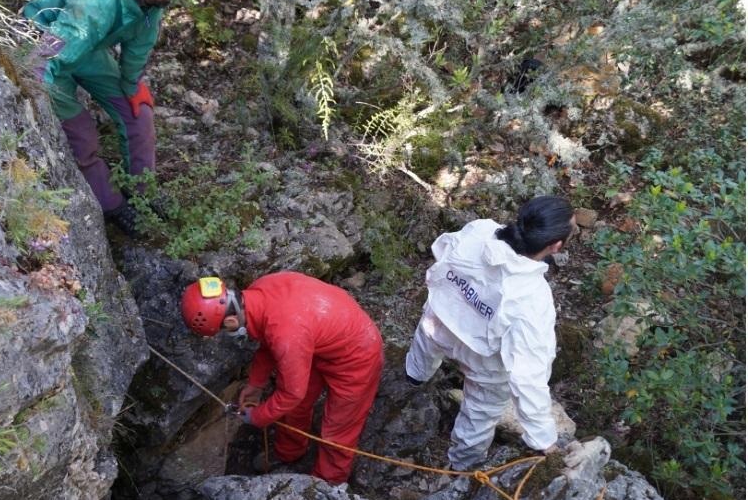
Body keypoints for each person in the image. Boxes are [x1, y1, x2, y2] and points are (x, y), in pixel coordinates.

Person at [23, 0, 187, 237]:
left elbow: (139, 45)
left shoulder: (151, 2)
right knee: (82, 134)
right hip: (44, 53)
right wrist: (36, 103)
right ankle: (113, 205)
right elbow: (43, 59)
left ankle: (143, 191)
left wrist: (132, 82)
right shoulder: (93, 5)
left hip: (86, 51)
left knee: (139, 113)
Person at [405, 195, 577, 470]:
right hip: (482, 358)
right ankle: (462, 467)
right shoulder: (532, 297)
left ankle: (413, 377)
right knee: (481, 411)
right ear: (555, 246)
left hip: (439, 321)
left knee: (423, 349)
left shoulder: (480, 230)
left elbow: (442, 251)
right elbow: (527, 373)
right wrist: (543, 438)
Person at [181, 272, 384, 484]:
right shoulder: (260, 290)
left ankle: (327, 484)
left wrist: (258, 417)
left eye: (222, 330)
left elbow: (292, 393)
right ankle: (289, 452)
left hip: (358, 355)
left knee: (337, 429)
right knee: (296, 407)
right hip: (318, 341)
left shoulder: (286, 333)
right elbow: (268, 341)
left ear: (231, 321)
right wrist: (256, 384)